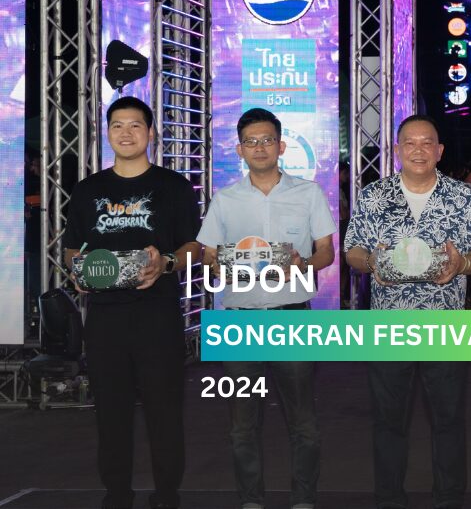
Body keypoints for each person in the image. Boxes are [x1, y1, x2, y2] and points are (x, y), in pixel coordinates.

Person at [344, 115, 471, 509]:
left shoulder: (461, 196)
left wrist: (461, 265)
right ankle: (389, 499)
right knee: (388, 420)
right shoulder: (374, 195)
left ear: (439, 151)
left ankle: (449, 499)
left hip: (445, 323)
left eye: (427, 143)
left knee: (448, 419)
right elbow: (352, 250)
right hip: (390, 324)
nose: (419, 150)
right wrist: (371, 262)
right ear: (397, 150)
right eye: (410, 142)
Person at [63, 96, 201, 509]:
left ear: (151, 133)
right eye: (117, 125)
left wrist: (167, 262)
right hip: (105, 319)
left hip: (157, 314)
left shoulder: (173, 186)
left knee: (164, 411)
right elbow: (72, 248)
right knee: (111, 412)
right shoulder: (88, 190)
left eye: (135, 125)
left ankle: (167, 495)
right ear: (106, 133)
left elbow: (195, 246)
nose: (126, 133)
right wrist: (78, 270)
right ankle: (117, 495)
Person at [196, 108, 336, 509]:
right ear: (240, 150)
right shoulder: (225, 200)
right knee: (242, 424)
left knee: (303, 420)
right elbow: (208, 255)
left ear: (281, 146)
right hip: (240, 322)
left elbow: (326, 252)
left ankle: (304, 498)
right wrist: (220, 265)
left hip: (292, 316)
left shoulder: (308, 193)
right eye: (251, 142)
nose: (260, 148)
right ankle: (251, 500)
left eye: (267, 140)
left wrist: (303, 265)